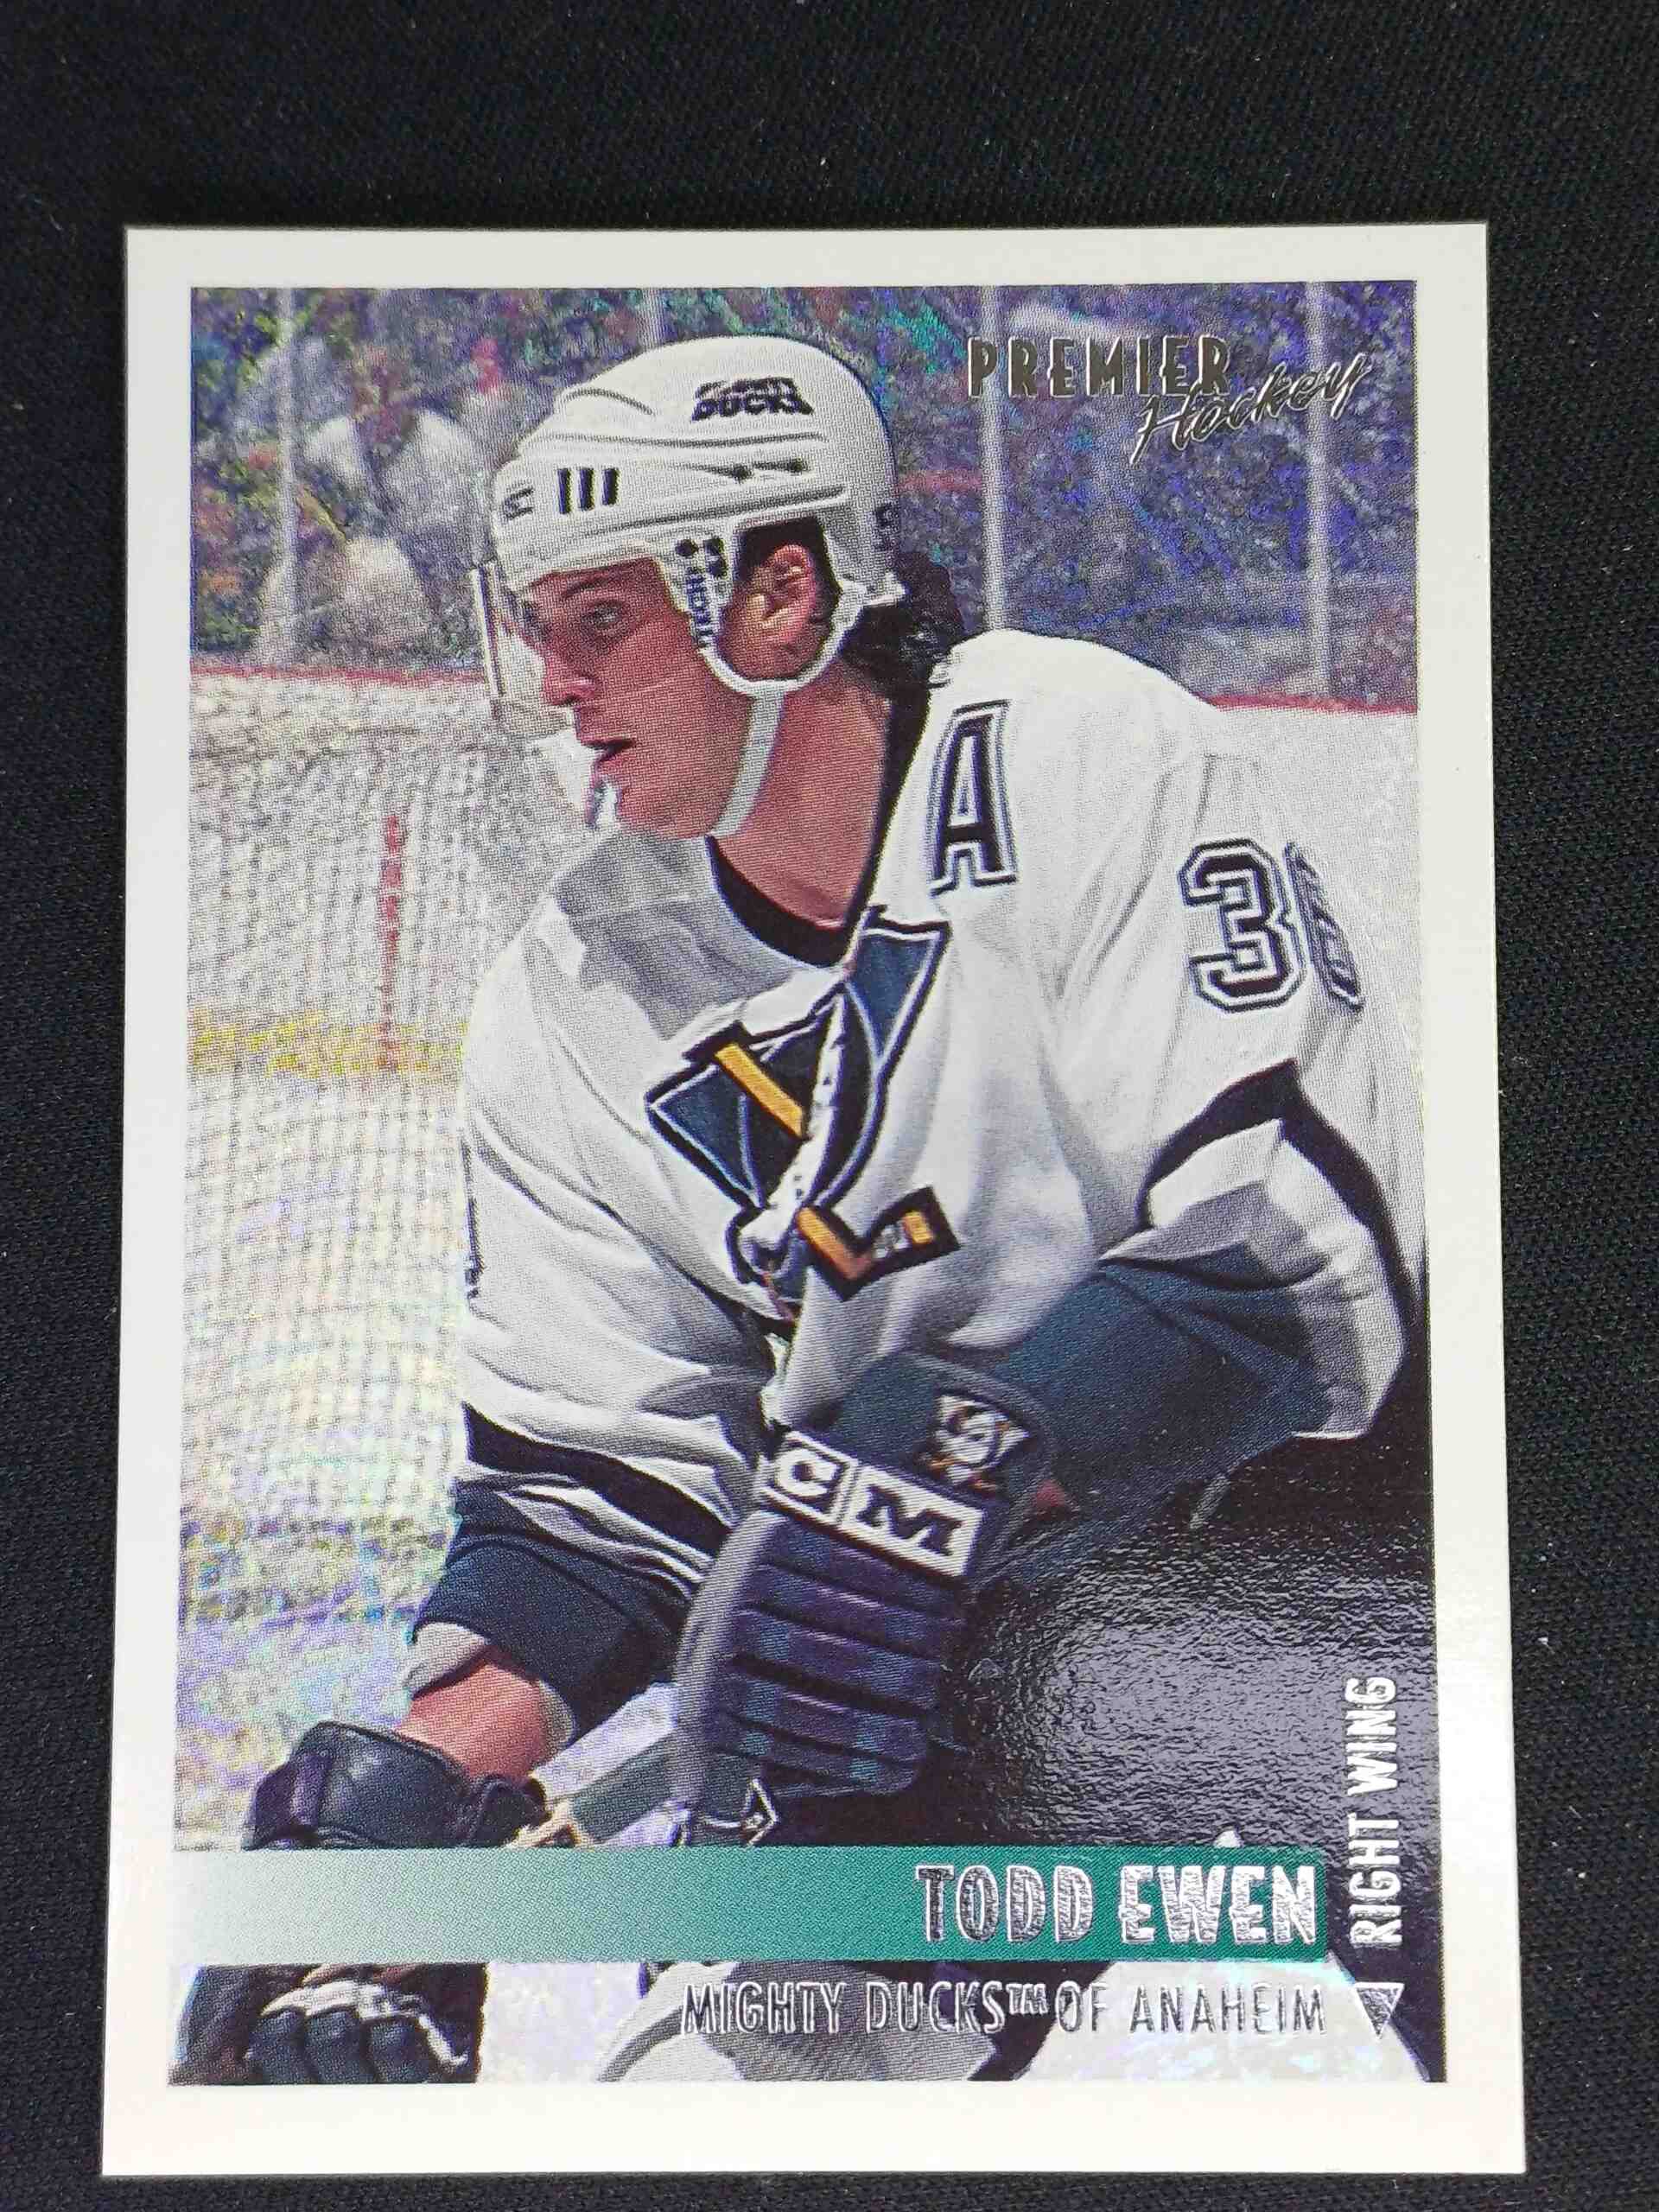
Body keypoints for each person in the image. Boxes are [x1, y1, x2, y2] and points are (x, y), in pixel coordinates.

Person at [177, 334, 1423, 2086]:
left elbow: (1296, 1258)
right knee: (706, 2105)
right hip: (921, 1643)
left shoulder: (1079, 751)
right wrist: (419, 1791)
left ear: (781, 595)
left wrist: (942, 1455)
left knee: (1504, 2061)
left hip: (1319, 1578)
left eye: (601, 618)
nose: (555, 681)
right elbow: (603, 1493)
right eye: (538, 624)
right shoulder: (572, 994)